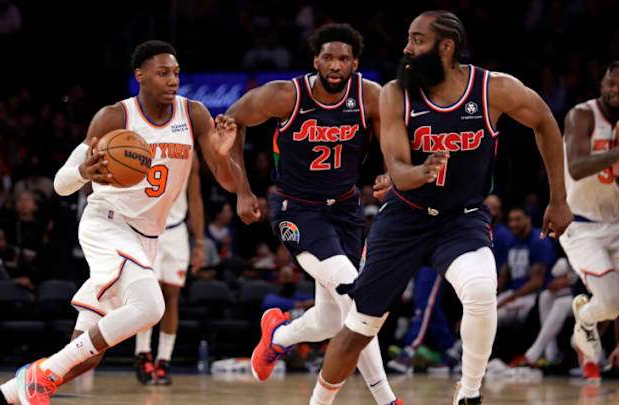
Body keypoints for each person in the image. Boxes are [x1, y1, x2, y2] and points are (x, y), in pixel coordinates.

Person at [0, 40, 244, 405]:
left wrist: (224, 156)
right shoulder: (115, 117)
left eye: (175, 73)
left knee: (85, 356)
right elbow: (62, 185)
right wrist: (82, 170)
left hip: (147, 238)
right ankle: (39, 376)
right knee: (151, 307)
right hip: (108, 224)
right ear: (140, 76)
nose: (172, 80)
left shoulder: (195, 115)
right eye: (162, 73)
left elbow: (231, 183)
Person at [311, 11, 573, 405]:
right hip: (404, 218)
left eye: (417, 40)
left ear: (446, 47)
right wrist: (422, 171)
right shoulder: (396, 92)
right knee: (360, 326)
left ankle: (468, 394)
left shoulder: (491, 89)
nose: (407, 49)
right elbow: (397, 169)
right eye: (408, 39)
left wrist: (559, 198)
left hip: (462, 218)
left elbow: (545, 121)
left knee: (483, 291)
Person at [226, 23, 399, 405]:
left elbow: (391, 134)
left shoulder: (371, 96)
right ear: (315, 60)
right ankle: (387, 400)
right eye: (328, 57)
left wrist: (390, 169)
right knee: (358, 297)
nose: (335, 65)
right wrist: (241, 190)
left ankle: (278, 336)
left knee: (330, 320)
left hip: (348, 210)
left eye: (343, 58)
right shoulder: (285, 95)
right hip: (297, 209)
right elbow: (231, 122)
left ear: (355, 62)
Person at [560, 61, 619, 380]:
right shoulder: (581, 115)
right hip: (582, 225)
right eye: (611, 83)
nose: (615, 90)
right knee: (610, 303)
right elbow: (579, 165)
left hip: (617, 223)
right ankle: (584, 319)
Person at [134, 150, 205, 385]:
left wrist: (200, 243)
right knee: (148, 296)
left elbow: (195, 198)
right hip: (146, 229)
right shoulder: (142, 144)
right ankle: (143, 352)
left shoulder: (189, 154)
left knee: (171, 296)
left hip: (176, 231)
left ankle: (164, 359)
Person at [496, 207, 555, 327]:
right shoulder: (512, 240)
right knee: (478, 314)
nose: (513, 224)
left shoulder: (539, 241)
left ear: (528, 220)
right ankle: (457, 345)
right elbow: (503, 276)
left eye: (518, 220)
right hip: (513, 292)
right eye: (511, 220)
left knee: (495, 317)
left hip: (534, 295)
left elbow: (537, 283)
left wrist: (509, 298)